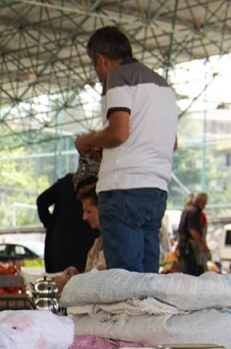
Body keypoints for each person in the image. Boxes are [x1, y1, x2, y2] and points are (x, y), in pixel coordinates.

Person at [75, 26, 179, 275]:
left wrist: (88, 141)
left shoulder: (117, 76)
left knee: (125, 280)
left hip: (123, 188)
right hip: (156, 190)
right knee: (147, 278)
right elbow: (172, 143)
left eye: (95, 66)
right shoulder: (163, 86)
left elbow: (119, 132)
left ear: (101, 59)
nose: (98, 74)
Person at [36, 170, 97, 279]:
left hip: (60, 247)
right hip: (87, 247)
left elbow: (41, 201)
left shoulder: (67, 182)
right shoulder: (101, 186)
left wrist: (51, 225)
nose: (85, 216)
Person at [53, 187, 106, 286]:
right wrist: (77, 275)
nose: (84, 217)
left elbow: (102, 280)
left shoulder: (114, 246)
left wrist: (70, 281)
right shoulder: (98, 243)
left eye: (89, 211)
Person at [175, 192, 209, 276]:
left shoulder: (186, 210)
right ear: (203, 202)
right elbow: (192, 230)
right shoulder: (195, 212)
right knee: (195, 272)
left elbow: (180, 230)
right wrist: (202, 244)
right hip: (190, 247)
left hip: (183, 246)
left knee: (188, 271)